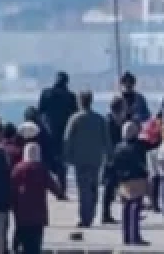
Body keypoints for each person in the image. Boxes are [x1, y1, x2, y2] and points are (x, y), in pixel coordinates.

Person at [62, 90, 111, 229]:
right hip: (96, 158)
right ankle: (91, 214)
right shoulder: (99, 119)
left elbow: (67, 139)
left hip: (80, 159)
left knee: (83, 189)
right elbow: (107, 140)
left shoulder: (75, 119)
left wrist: (66, 156)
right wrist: (110, 156)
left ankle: (85, 217)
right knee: (93, 187)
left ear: (79, 101)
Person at [10, 142, 65, 254]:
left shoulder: (18, 169)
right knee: (35, 244)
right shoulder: (42, 169)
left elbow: (11, 187)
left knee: (24, 239)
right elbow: (54, 187)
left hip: (21, 211)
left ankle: (16, 247)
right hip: (38, 213)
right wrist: (60, 194)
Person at [107, 122, 150, 247]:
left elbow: (114, 165)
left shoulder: (118, 147)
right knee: (135, 208)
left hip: (123, 180)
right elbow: (153, 144)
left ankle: (126, 236)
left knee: (126, 207)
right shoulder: (139, 145)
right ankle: (134, 236)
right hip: (137, 179)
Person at [37, 72, 76, 186]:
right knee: (62, 162)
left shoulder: (46, 93)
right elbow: (74, 115)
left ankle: (48, 185)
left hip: (48, 131)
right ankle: (62, 186)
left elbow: (40, 112)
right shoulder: (70, 96)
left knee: (47, 161)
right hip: (64, 133)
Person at [100, 97, 126, 224]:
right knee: (110, 186)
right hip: (111, 158)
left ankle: (108, 213)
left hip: (117, 157)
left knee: (114, 185)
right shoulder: (109, 122)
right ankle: (105, 214)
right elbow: (107, 141)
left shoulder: (116, 120)